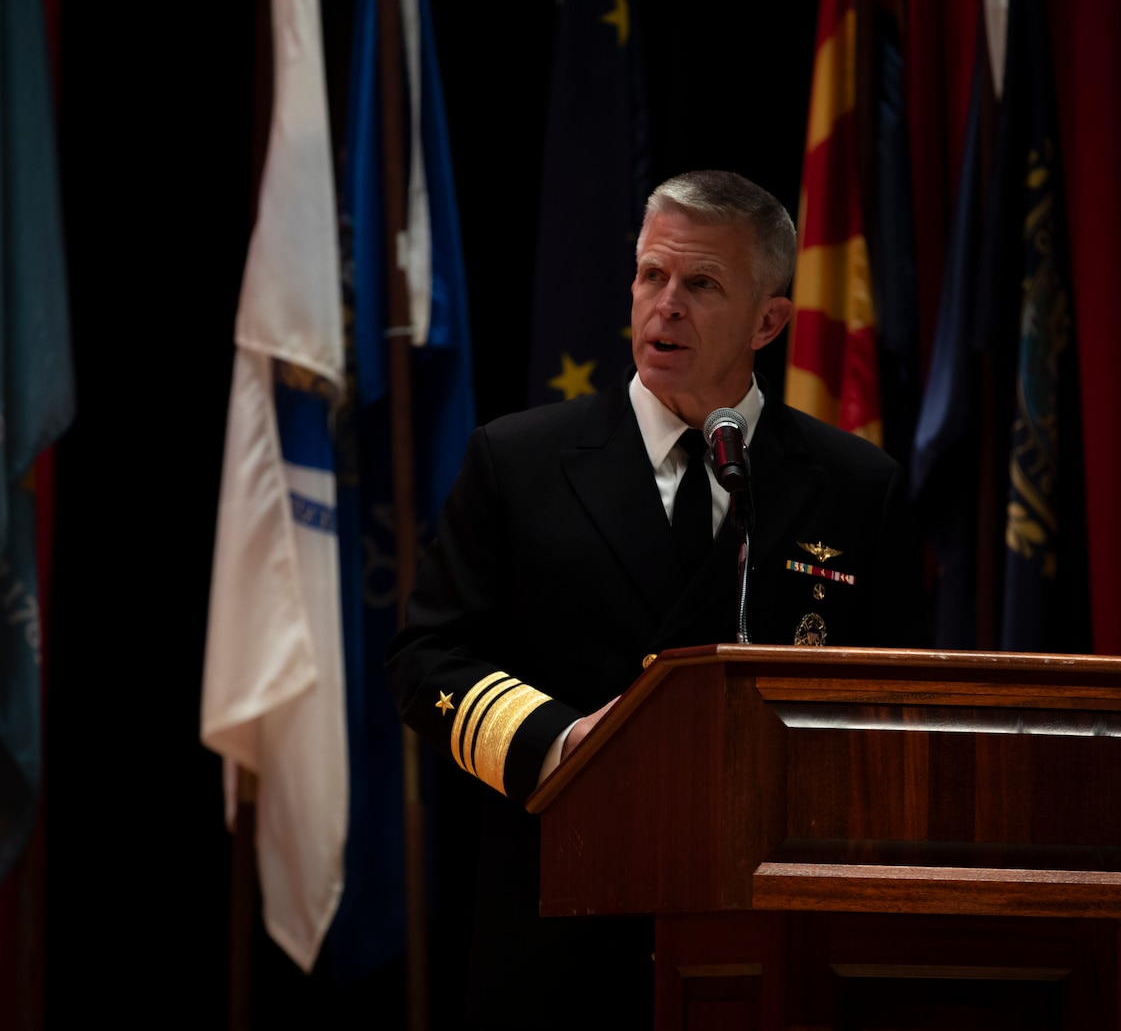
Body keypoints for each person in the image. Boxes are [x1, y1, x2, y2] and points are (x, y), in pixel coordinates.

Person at [386, 170, 920, 1028]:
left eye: (701, 284)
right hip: (562, 931)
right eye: (650, 276)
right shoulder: (518, 461)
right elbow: (425, 659)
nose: (663, 306)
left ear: (768, 320)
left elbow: (900, 706)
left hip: (768, 938)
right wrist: (563, 743)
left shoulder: (857, 487)